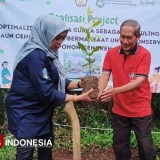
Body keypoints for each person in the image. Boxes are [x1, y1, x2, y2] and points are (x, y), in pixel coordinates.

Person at [6, 15, 93, 160]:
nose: (60, 42)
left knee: (45, 148)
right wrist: (77, 98)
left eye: (63, 38)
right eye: (57, 37)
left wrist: (79, 84)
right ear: (44, 34)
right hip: (26, 111)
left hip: (41, 111)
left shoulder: (47, 53)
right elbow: (47, 92)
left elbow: (57, 81)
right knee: (25, 151)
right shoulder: (35, 56)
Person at [98, 19, 156, 160]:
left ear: (138, 37)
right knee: (120, 147)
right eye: (122, 37)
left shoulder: (144, 54)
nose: (124, 41)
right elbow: (105, 73)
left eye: (129, 37)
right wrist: (100, 90)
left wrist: (115, 91)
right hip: (119, 109)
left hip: (140, 109)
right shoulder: (111, 53)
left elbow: (139, 81)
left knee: (146, 147)